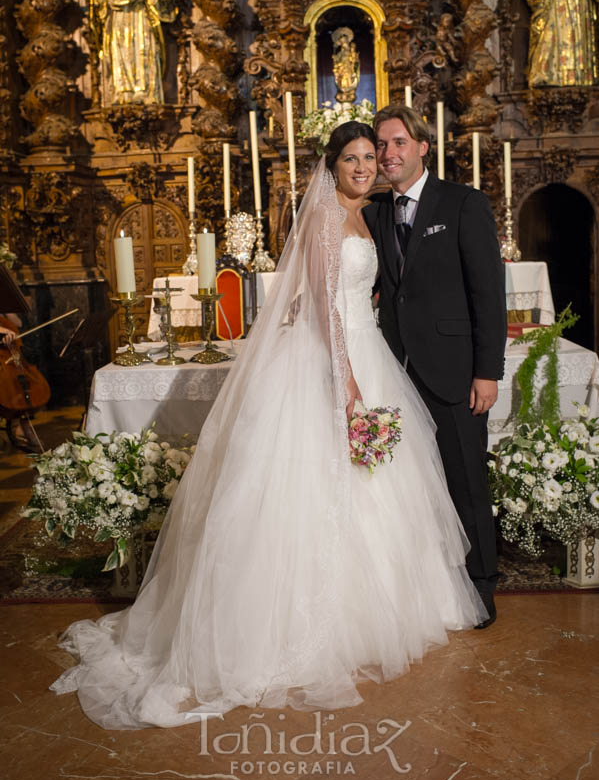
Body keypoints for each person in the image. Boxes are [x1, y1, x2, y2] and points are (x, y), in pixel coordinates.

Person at [51, 122, 487, 730]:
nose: (365, 166)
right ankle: (297, 630)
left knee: (380, 486)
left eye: (371, 157)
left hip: (372, 356)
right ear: (331, 164)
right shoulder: (326, 218)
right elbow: (323, 306)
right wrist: (347, 381)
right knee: (308, 490)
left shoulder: (372, 213)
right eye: (352, 159)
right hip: (334, 363)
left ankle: (382, 612)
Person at [364, 105, 507, 630]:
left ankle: (481, 587)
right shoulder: (375, 212)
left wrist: (487, 371)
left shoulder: (463, 204)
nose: (388, 154)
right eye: (380, 145)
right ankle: (428, 588)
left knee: (466, 482)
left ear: (423, 147)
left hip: (454, 372)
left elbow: (488, 294)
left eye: (398, 142)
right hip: (394, 372)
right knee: (413, 487)